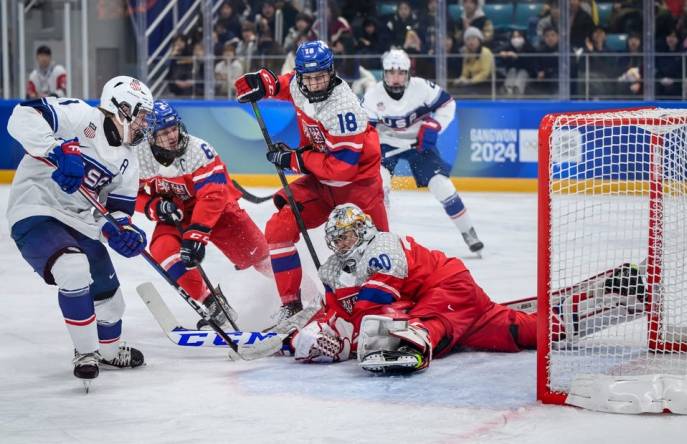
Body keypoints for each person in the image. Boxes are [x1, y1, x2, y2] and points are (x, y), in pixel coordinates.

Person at [233, 40, 389, 328]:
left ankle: (380, 309)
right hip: (320, 182)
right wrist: (261, 82)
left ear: (331, 73)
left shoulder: (344, 109)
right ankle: (291, 305)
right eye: (309, 77)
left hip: (358, 188)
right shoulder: (299, 82)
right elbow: (283, 83)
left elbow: (341, 171)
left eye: (321, 77)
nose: (315, 83)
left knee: (376, 255)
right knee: (278, 229)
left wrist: (294, 160)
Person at [7, 76, 152, 383]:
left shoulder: (129, 161)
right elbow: (21, 115)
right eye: (140, 115)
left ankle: (109, 351)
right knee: (72, 268)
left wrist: (122, 232)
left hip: (78, 219)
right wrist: (57, 150)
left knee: (111, 296)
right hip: (35, 207)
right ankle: (86, 352)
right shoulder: (78, 115)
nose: (142, 124)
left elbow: (116, 213)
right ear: (121, 108)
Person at [289, 204, 534, 373]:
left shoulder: (381, 246)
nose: (342, 244)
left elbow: (371, 310)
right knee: (513, 331)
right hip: (456, 306)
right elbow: (338, 314)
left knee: (409, 326)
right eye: (337, 239)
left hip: (448, 287)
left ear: (362, 230)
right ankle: (560, 320)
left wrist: (344, 344)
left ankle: (412, 344)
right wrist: (301, 338)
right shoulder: (333, 269)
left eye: (347, 236)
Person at [135, 100, 271, 330]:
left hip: (219, 212)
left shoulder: (198, 150)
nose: (171, 137)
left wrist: (197, 234)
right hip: (179, 213)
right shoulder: (140, 156)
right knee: (163, 250)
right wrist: (153, 206)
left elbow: (214, 195)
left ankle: (301, 295)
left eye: (173, 129)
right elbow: (130, 193)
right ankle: (214, 305)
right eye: (163, 133)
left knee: (259, 256)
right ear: (150, 136)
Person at [362, 49, 484, 254]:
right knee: (379, 188)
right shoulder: (372, 95)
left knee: (442, 186)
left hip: (418, 145)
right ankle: (380, 238)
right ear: (384, 73)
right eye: (391, 72)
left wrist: (435, 125)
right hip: (385, 144)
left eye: (401, 73)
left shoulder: (422, 88)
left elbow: (448, 103)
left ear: (408, 73)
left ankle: (468, 232)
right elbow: (366, 129)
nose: (396, 78)